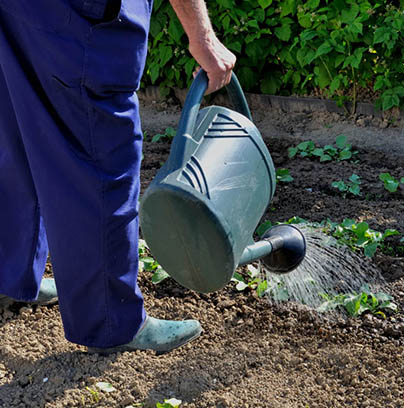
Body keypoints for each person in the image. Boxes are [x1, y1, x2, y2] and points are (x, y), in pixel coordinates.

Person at [0, 0, 235, 353]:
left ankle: (8, 273)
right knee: (99, 149)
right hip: (79, 16)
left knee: (17, 121)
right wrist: (201, 36)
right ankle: (110, 320)